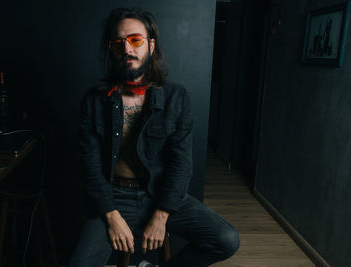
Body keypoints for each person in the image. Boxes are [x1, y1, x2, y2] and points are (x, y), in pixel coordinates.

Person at [69, 7, 239, 267]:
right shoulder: (94, 101)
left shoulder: (176, 98)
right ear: (112, 49)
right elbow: (89, 166)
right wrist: (112, 216)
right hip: (114, 197)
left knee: (226, 239)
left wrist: (161, 216)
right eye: (119, 42)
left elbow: (181, 165)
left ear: (151, 44)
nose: (127, 49)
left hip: (159, 193)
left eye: (135, 40)